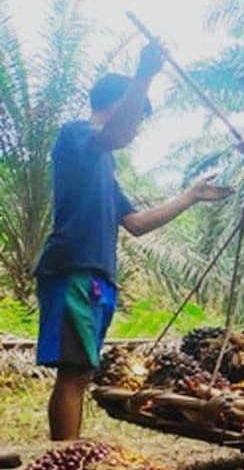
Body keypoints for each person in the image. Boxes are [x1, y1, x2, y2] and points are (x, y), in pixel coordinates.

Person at [35, 42, 232, 441]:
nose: (138, 128)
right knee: (73, 373)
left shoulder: (104, 167)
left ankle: (69, 453)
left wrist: (190, 196)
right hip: (74, 270)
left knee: (81, 371)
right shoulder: (76, 135)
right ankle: (65, 458)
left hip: (97, 278)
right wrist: (144, 74)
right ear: (117, 103)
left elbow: (137, 224)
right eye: (140, 117)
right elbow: (118, 133)